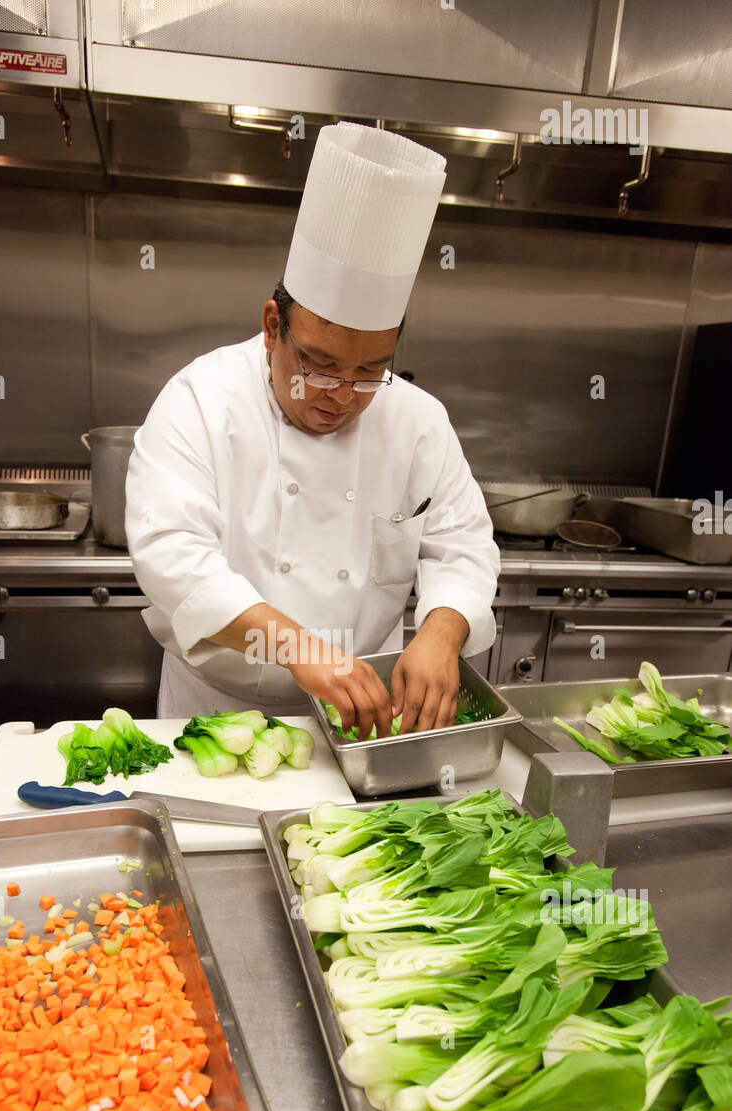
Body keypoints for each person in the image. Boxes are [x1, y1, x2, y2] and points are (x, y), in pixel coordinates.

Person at [126, 122, 499, 739]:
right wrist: (301, 648)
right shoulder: (200, 399)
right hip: (216, 714)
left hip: (363, 718)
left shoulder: (417, 419)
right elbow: (172, 554)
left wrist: (443, 627)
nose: (341, 396)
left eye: (369, 371)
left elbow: (461, 544)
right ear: (273, 325)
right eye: (320, 365)